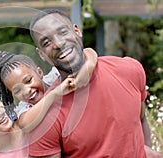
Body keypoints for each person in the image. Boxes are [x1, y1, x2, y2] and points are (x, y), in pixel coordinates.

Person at [26, 8, 161, 157]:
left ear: (76, 31)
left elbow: (141, 120)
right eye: (47, 42)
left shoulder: (129, 70)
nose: (58, 43)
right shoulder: (46, 117)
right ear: (42, 55)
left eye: (63, 32)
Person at [0, 49, 97, 131]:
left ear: (40, 72)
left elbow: (87, 52)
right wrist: (54, 94)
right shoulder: (26, 108)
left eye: (28, 81)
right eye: (18, 91)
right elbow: (25, 123)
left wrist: (90, 64)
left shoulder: (54, 77)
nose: (26, 91)